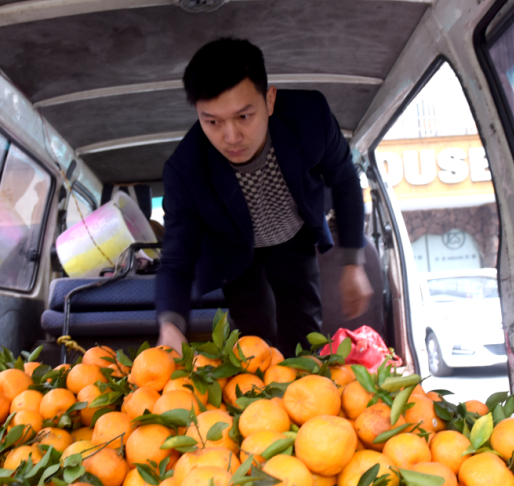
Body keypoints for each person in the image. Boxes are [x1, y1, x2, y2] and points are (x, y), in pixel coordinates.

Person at [156, 38, 372, 354]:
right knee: (254, 342)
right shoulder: (185, 169)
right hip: (235, 249)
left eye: (244, 116)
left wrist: (353, 261)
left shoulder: (310, 118)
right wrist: (170, 324)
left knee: (303, 332)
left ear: (269, 100)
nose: (231, 138)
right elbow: (176, 258)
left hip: (293, 234)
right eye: (212, 121)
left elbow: (344, 178)